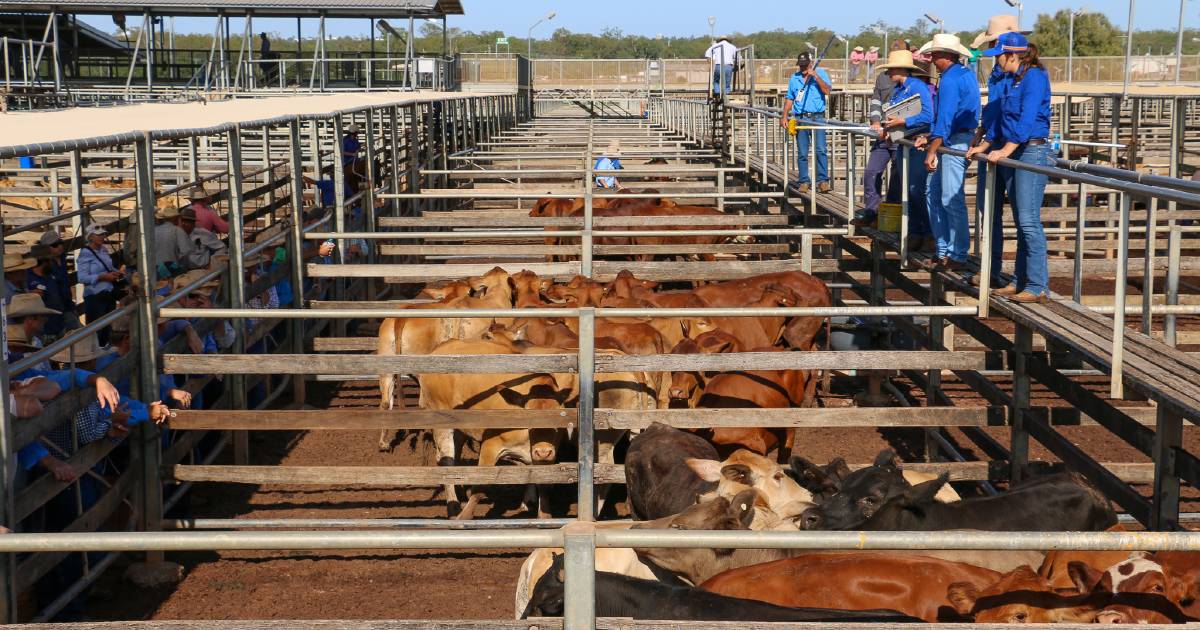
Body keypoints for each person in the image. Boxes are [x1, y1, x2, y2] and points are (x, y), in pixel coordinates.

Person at [967, 33, 1052, 304]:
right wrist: (988, 143)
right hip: (1019, 150)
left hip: (1031, 151)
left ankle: (1037, 284)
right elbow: (1003, 116)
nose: (997, 62)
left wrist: (1005, 149)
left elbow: (1026, 119)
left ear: (1012, 55)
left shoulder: (1035, 77)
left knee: (1028, 220)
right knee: (1021, 219)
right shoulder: (1015, 79)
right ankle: (1019, 280)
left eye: (999, 56)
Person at [914, 33, 980, 271]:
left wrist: (932, 148)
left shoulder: (951, 79)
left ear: (943, 55)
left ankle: (957, 253)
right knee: (938, 195)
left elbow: (945, 116)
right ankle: (946, 250)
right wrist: (933, 138)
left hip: (953, 140)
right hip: (954, 138)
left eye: (934, 54)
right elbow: (946, 116)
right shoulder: (962, 75)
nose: (931, 58)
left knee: (949, 198)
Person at [877, 49, 935, 253]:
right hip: (905, 143)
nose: (888, 73)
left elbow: (928, 116)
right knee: (908, 191)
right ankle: (915, 233)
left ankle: (927, 233)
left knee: (917, 190)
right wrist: (889, 128)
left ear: (901, 69)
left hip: (915, 144)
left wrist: (903, 121)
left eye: (891, 69)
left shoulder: (916, 87)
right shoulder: (900, 89)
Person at [855, 39, 910, 226]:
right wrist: (876, 122)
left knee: (897, 177)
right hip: (882, 134)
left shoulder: (914, 80)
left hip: (901, 135)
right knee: (871, 172)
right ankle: (872, 211)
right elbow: (876, 101)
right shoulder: (882, 78)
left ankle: (891, 216)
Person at [782, 52, 834, 195]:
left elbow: (827, 91)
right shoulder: (794, 78)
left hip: (817, 117)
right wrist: (784, 116)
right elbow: (790, 98)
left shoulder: (820, 73)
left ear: (811, 63)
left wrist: (815, 77)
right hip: (800, 118)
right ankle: (804, 181)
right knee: (802, 152)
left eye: (805, 65)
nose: (803, 68)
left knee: (821, 149)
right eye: (801, 65)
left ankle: (822, 181)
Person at [76, 223, 125, 345]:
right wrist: (101, 277)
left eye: (103, 234)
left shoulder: (103, 250)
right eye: (99, 235)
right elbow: (81, 278)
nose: (102, 237)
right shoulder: (85, 253)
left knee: (108, 327)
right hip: (95, 296)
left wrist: (117, 272)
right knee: (97, 331)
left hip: (108, 293)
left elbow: (109, 267)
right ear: (90, 237)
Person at [154, 199, 203, 273]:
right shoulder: (177, 231)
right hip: (169, 268)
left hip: (154, 268)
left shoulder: (154, 230)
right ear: (175, 218)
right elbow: (185, 251)